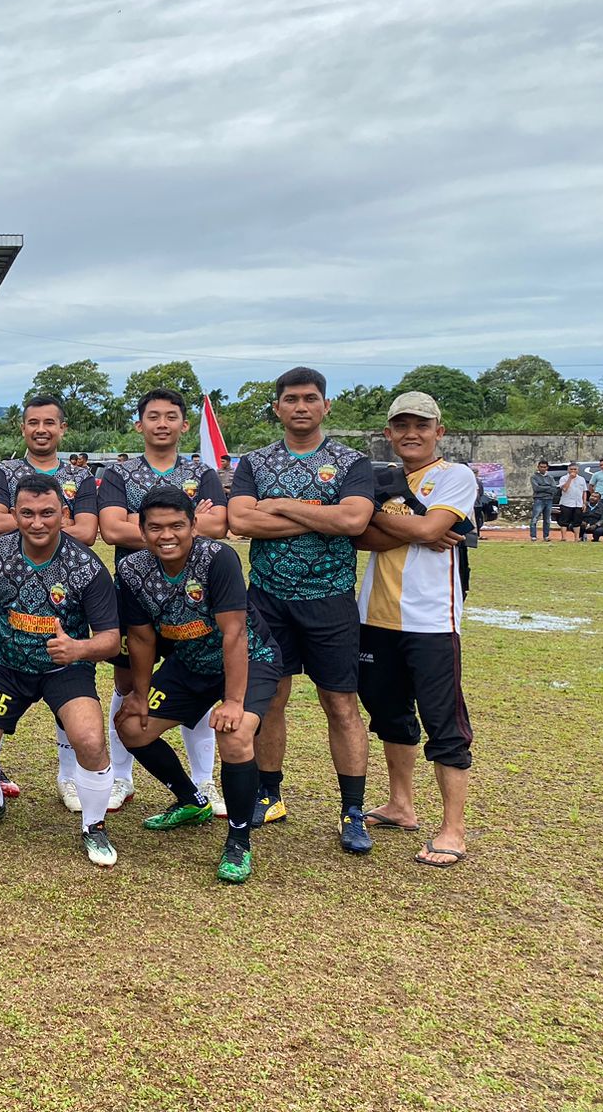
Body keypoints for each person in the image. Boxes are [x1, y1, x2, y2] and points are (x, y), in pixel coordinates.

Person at [227, 367, 376, 853]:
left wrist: (280, 504)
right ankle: (269, 794)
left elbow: (354, 520)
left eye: (310, 398)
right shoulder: (255, 462)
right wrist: (320, 517)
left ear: (325, 406)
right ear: (277, 408)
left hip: (330, 600)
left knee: (341, 704)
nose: (301, 407)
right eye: (291, 399)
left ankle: (353, 810)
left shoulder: (351, 462)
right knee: (270, 700)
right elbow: (240, 520)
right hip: (267, 600)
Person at [0, 475, 120, 867]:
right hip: (5, 667)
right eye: (27, 513)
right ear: (14, 514)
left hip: (65, 669)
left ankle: (94, 825)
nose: (37, 523)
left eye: (47, 513)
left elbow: (111, 639)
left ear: (64, 514)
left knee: (89, 739)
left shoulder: (86, 565)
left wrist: (78, 649)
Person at [116, 488, 284, 883]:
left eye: (177, 525)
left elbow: (235, 633)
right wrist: (139, 694)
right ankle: (192, 800)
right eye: (155, 527)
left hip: (250, 659)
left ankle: (238, 840)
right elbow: (140, 638)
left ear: (193, 525)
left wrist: (234, 701)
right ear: (141, 531)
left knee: (235, 734)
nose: (166, 535)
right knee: (132, 727)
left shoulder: (217, 558)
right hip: (190, 663)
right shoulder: (132, 569)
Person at [351, 393, 478, 868]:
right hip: (374, 618)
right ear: (388, 433)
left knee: (444, 722)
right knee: (388, 713)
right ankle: (400, 805)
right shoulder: (380, 479)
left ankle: (453, 829)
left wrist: (383, 519)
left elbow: (428, 530)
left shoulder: (455, 476)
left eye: (421, 425)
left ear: (438, 431)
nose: (411, 433)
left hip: (432, 622)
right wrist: (414, 525)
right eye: (401, 425)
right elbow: (359, 535)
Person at [97, 388, 228, 817]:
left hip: (193, 600)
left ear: (184, 425)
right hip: (134, 596)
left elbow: (220, 525)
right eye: (153, 416)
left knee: (198, 686)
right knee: (126, 686)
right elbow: (111, 530)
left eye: (171, 416)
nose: (162, 424)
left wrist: (147, 528)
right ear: (139, 425)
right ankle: (121, 777)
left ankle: (204, 781)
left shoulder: (201, 472)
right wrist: (186, 528)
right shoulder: (120, 474)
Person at [0, 396, 100, 800]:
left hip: (66, 594)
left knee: (64, 678)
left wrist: (32, 527)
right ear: (23, 428)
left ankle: (68, 775)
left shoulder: (79, 476)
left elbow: (89, 532)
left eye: (50, 422)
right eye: (33, 422)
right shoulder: (2, 471)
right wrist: (57, 524)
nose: (41, 429)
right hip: (8, 588)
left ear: (62, 428)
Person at [557, 464, 588, 542]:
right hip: (566, 503)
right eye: (571, 469)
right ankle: (563, 537)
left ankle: (576, 538)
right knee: (564, 521)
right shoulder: (563, 478)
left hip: (578, 503)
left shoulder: (581, 479)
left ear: (578, 470)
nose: (573, 471)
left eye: (575, 469)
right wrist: (570, 479)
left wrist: (584, 503)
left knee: (577, 521)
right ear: (568, 470)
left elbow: (584, 491)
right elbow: (564, 489)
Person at [529, 460, 556, 542]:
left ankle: (546, 536)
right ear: (538, 467)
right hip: (539, 499)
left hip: (549, 500)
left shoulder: (550, 477)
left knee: (547, 519)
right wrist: (548, 487)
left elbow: (554, 489)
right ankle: (533, 536)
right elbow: (536, 488)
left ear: (547, 468)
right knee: (535, 518)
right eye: (541, 467)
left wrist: (543, 488)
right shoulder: (534, 477)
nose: (543, 469)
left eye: (544, 467)